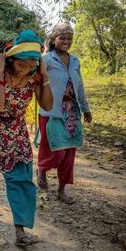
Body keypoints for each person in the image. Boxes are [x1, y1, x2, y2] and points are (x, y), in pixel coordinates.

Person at [0, 30, 53, 247]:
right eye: (21, 64)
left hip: (16, 132)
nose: (26, 69)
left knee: (21, 178)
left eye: (32, 64)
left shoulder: (35, 76)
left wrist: (45, 78)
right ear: (11, 60)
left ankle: (21, 230)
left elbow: (47, 105)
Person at [37, 22, 92, 204]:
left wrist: (85, 108)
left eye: (69, 38)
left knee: (69, 155)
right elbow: (36, 82)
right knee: (55, 152)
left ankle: (62, 191)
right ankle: (42, 169)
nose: (66, 41)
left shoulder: (75, 61)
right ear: (54, 39)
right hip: (51, 112)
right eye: (62, 38)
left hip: (71, 113)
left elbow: (80, 86)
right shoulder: (46, 59)